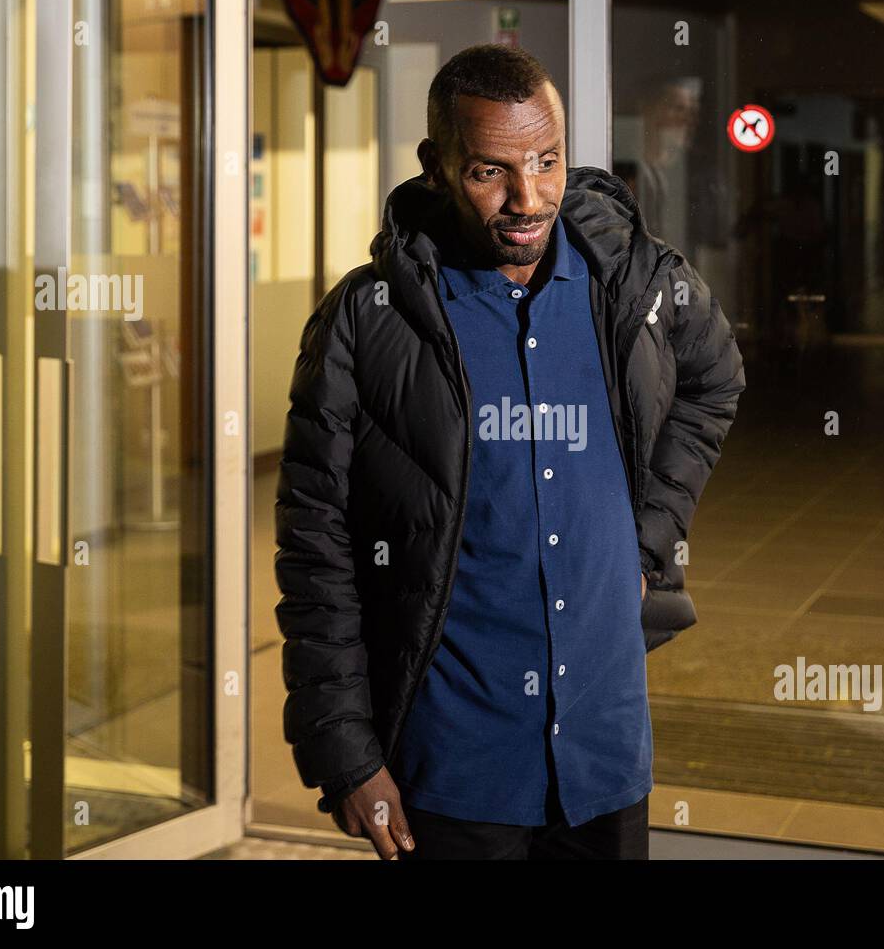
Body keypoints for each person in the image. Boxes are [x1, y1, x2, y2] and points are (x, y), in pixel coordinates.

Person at [274, 43, 744, 860]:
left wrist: (652, 533)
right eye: (491, 171)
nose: (529, 198)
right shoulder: (368, 320)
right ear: (436, 166)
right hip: (454, 769)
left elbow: (715, 382)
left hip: (604, 755)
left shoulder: (632, 286)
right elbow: (315, 547)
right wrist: (345, 756)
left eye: (548, 162)